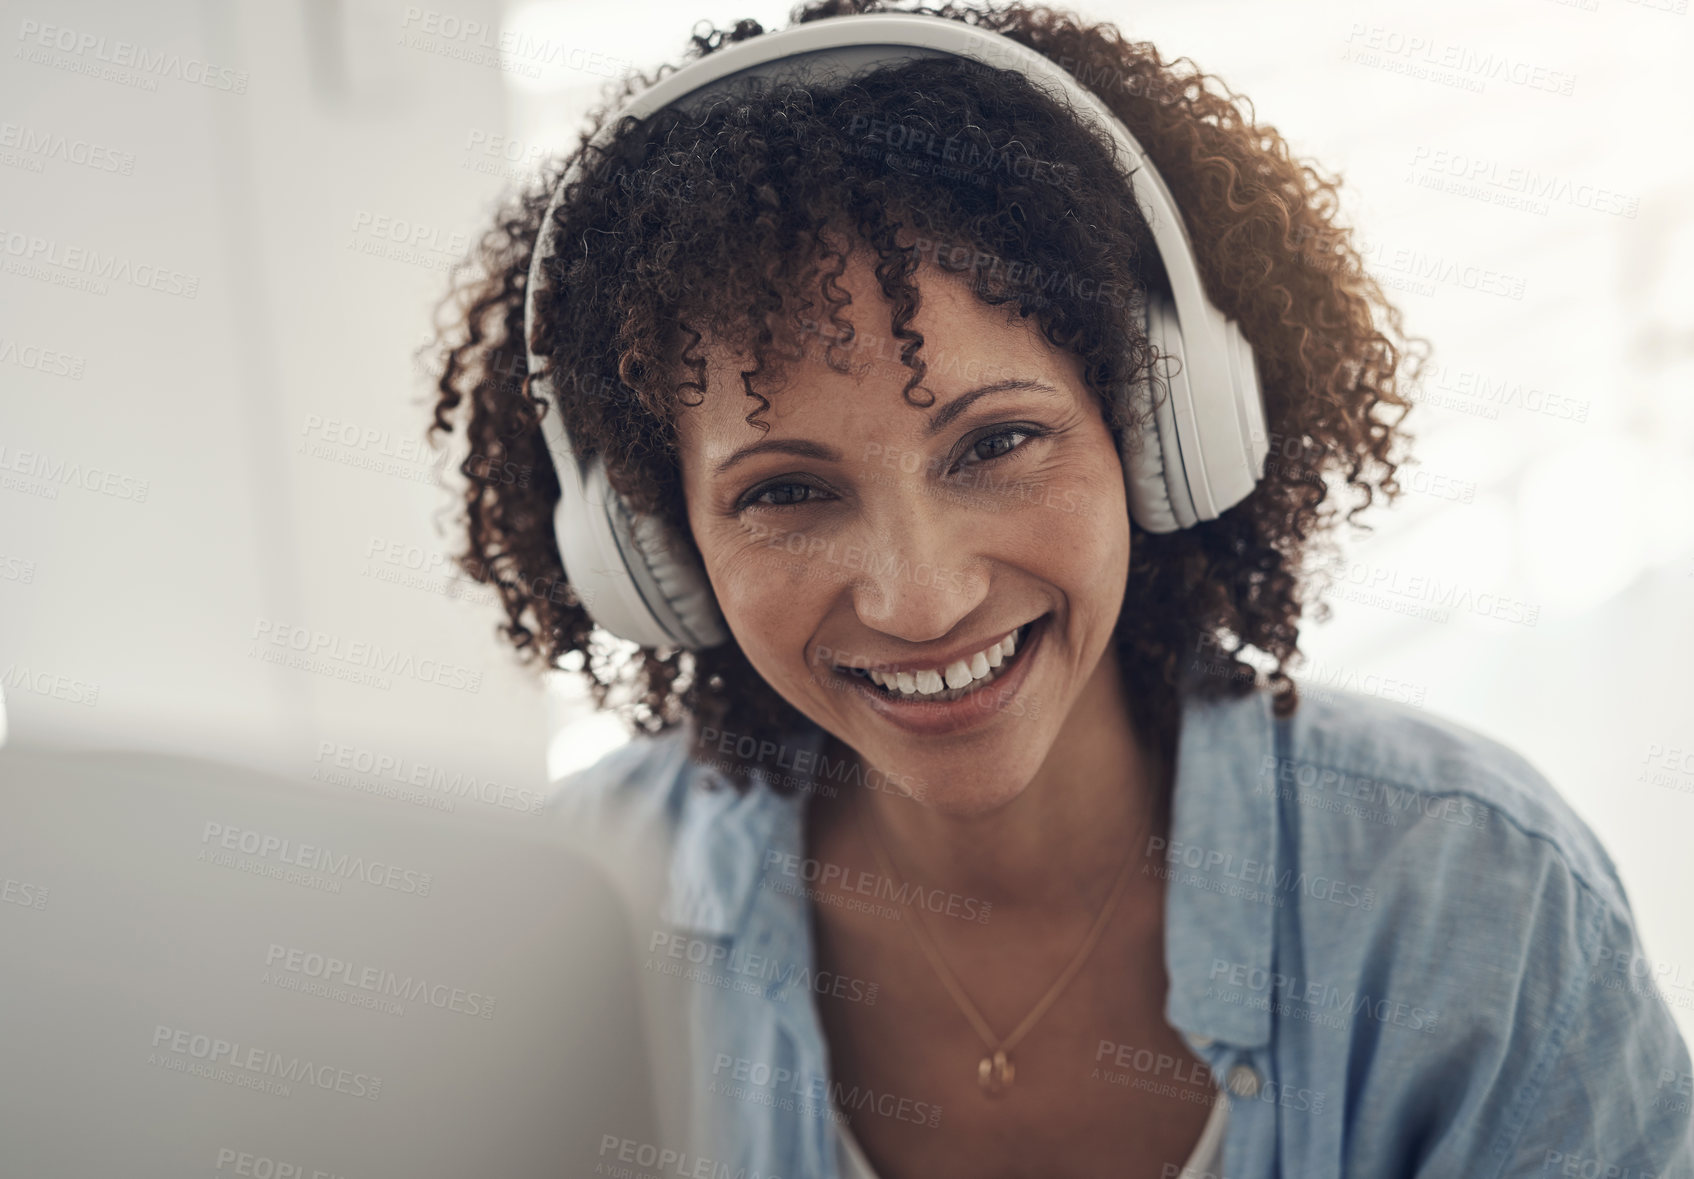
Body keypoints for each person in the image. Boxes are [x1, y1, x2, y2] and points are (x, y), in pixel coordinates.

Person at [423, 1, 1694, 1175]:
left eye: (995, 444)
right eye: (784, 493)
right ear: (652, 551)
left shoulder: (1473, 891)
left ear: (1160, 430)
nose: (919, 600)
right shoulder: (576, 919)